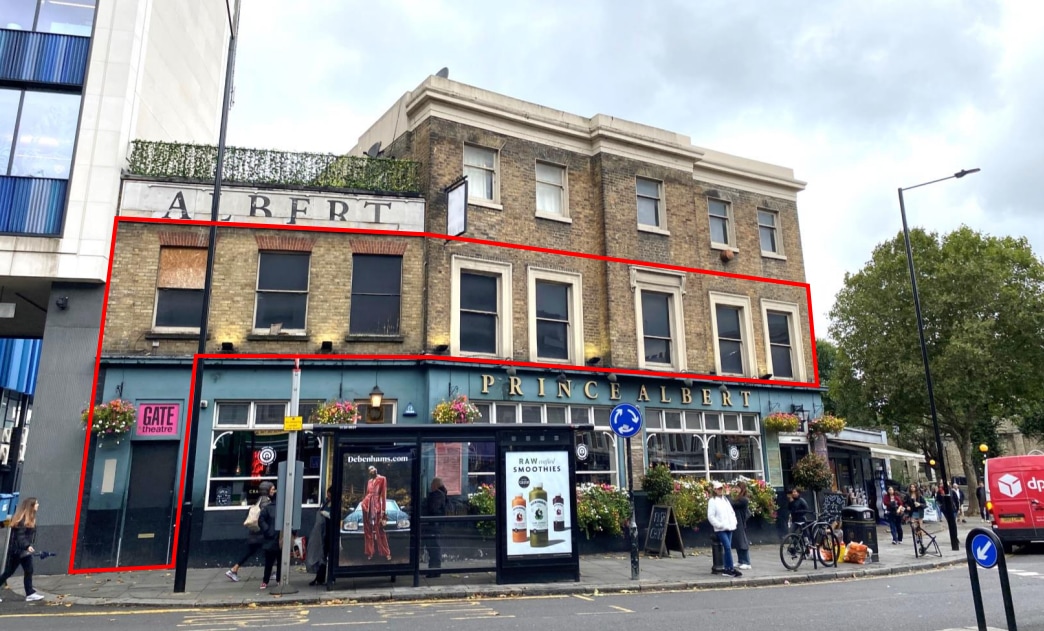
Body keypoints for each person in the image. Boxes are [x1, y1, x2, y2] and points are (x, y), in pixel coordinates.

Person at [226, 482, 274, 583]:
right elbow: (264, 516)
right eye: (272, 489)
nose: (274, 491)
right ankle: (234, 570)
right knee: (269, 551)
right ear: (267, 490)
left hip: (255, 532)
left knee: (252, 551)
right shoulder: (266, 501)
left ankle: (234, 569)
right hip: (261, 533)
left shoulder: (260, 499)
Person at [0, 497, 43, 602]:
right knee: (8, 572)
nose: (38, 505)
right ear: (31, 506)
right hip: (18, 551)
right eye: (36, 503)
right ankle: (30, 593)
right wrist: (27, 546)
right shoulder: (22, 520)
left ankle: (30, 593)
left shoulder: (29, 518)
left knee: (29, 570)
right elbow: (20, 537)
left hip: (23, 551)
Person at [706, 481, 741, 578]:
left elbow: (731, 512)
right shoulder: (712, 501)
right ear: (714, 490)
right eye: (718, 489)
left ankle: (727, 569)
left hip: (729, 527)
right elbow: (711, 516)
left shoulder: (725, 499)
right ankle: (730, 569)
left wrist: (734, 523)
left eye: (721, 488)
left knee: (728, 548)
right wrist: (719, 525)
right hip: (721, 529)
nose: (720, 490)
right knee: (727, 547)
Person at [362, 465, 391, 561]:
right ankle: (370, 552)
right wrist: (363, 503)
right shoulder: (369, 482)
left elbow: (383, 495)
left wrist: (383, 509)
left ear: (376, 469)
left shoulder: (382, 479)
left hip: (377, 506)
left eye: (372, 468)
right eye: (369, 469)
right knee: (368, 530)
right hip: (367, 506)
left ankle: (386, 552)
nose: (371, 470)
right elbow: (367, 493)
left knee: (380, 530)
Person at [306, 488, 332, 586]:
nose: (328, 497)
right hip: (321, 533)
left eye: (329, 495)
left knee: (326, 556)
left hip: (329, 533)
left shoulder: (334, 504)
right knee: (321, 556)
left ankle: (328, 577)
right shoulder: (326, 503)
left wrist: (326, 514)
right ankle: (319, 577)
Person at [257, 481, 281, 588]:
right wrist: (268, 531)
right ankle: (267, 580)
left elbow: (261, 521)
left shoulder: (269, 507)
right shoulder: (268, 507)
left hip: (275, 538)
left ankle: (275, 580)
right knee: (270, 562)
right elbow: (261, 520)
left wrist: (267, 531)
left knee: (276, 561)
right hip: (274, 538)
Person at [424, 477, 448, 578]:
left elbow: (434, 509)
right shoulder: (442, 495)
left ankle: (434, 570)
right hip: (434, 525)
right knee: (433, 548)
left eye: (432, 485)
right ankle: (434, 569)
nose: (430, 486)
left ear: (435, 485)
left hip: (432, 526)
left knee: (433, 548)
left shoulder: (437, 495)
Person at [729, 481, 752, 570]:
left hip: (740, 522)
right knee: (738, 541)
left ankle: (747, 562)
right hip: (736, 522)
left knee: (742, 542)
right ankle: (741, 561)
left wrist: (728, 495)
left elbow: (732, 504)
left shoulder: (743, 500)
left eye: (738, 488)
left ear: (742, 489)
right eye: (735, 488)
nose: (736, 489)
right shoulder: (738, 498)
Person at [905, 484, 927, 553]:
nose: (912, 488)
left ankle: (920, 540)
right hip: (913, 512)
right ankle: (917, 536)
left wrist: (919, 504)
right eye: (911, 487)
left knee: (920, 527)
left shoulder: (919, 495)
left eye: (913, 487)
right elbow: (905, 503)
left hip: (919, 512)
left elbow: (925, 504)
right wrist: (907, 506)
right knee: (913, 526)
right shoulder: (908, 495)